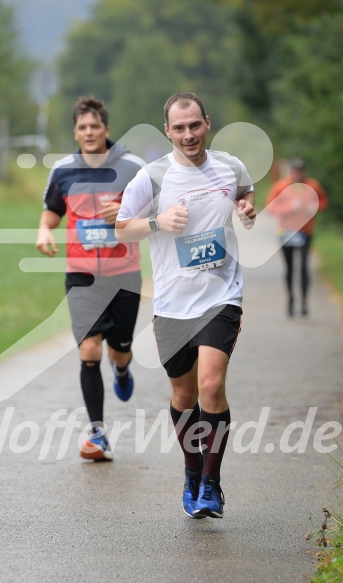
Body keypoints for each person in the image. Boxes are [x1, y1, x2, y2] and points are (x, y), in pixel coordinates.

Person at [115, 92, 256, 519]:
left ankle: (211, 485)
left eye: (194, 125)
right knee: (184, 394)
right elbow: (122, 229)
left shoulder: (230, 166)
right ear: (167, 131)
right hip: (173, 304)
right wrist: (158, 222)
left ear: (207, 123)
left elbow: (246, 194)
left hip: (221, 296)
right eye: (179, 128)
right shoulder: (152, 177)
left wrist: (248, 208)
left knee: (211, 387)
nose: (188, 134)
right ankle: (192, 470)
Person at [36, 95, 145, 461]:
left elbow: (152, 214)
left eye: (95, 126)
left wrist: (125, 214)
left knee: (118, 351)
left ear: (106, 129)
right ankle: (98, 434)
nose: (89, 132)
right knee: (88, 350)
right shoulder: (63, 171)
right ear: (75, 132)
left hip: (124, 276)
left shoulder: (132, 167)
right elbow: (51, 211)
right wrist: (44, 231)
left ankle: (124, 369)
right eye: (82, 127)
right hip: (81, 276)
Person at [265, 158, 328, 317]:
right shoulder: (281, 186)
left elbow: (323, 201)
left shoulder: (313, 185)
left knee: (304, 268)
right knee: (290, 268)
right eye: (294, 171)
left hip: (305, 232)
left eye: (300, 171)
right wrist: (289, 207)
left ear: (303, 172)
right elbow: (271, 207)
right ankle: (291, 299)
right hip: (286, 232)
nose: (297, 174)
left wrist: (314, 206)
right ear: (290, 172)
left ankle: (305, 302)